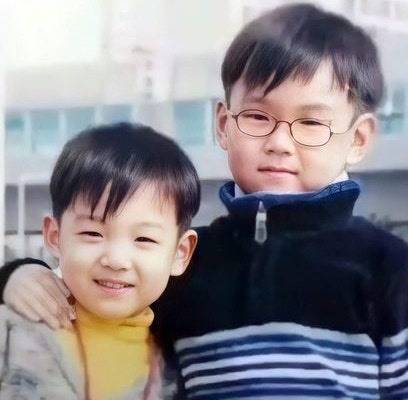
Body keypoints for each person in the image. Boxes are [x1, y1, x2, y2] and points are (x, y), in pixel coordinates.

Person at [1, 3, 408, 399]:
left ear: (358, 139)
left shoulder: (388, 269)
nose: (280, 142)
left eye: (311, 122)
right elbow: (96, 303)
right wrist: (17, 276)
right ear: (224, 125)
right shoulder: (181, 264)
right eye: (258, 116)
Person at [0, 123, 199, 399]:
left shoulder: (180, 362)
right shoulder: (13, 331)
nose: (116, 260)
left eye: (144, 239)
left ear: (180, 253)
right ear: (55, 236)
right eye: (92, 233)